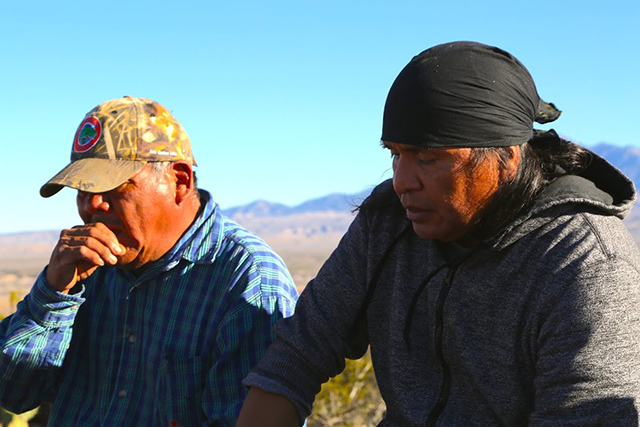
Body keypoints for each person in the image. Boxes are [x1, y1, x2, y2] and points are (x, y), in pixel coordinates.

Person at [237, 41, 640, 426]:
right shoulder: (388, 224)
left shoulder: (587, 266)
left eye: (429, 158)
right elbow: (296, 357)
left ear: (507, 158)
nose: (401, 182)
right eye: (395, 154)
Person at [0, 96, 299, 426]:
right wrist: (54, 295)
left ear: (179, 181)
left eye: (113, 185)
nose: (91, 206)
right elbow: (13, 393)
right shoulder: (83, 269)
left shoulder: (247, 280)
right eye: (82, 190)